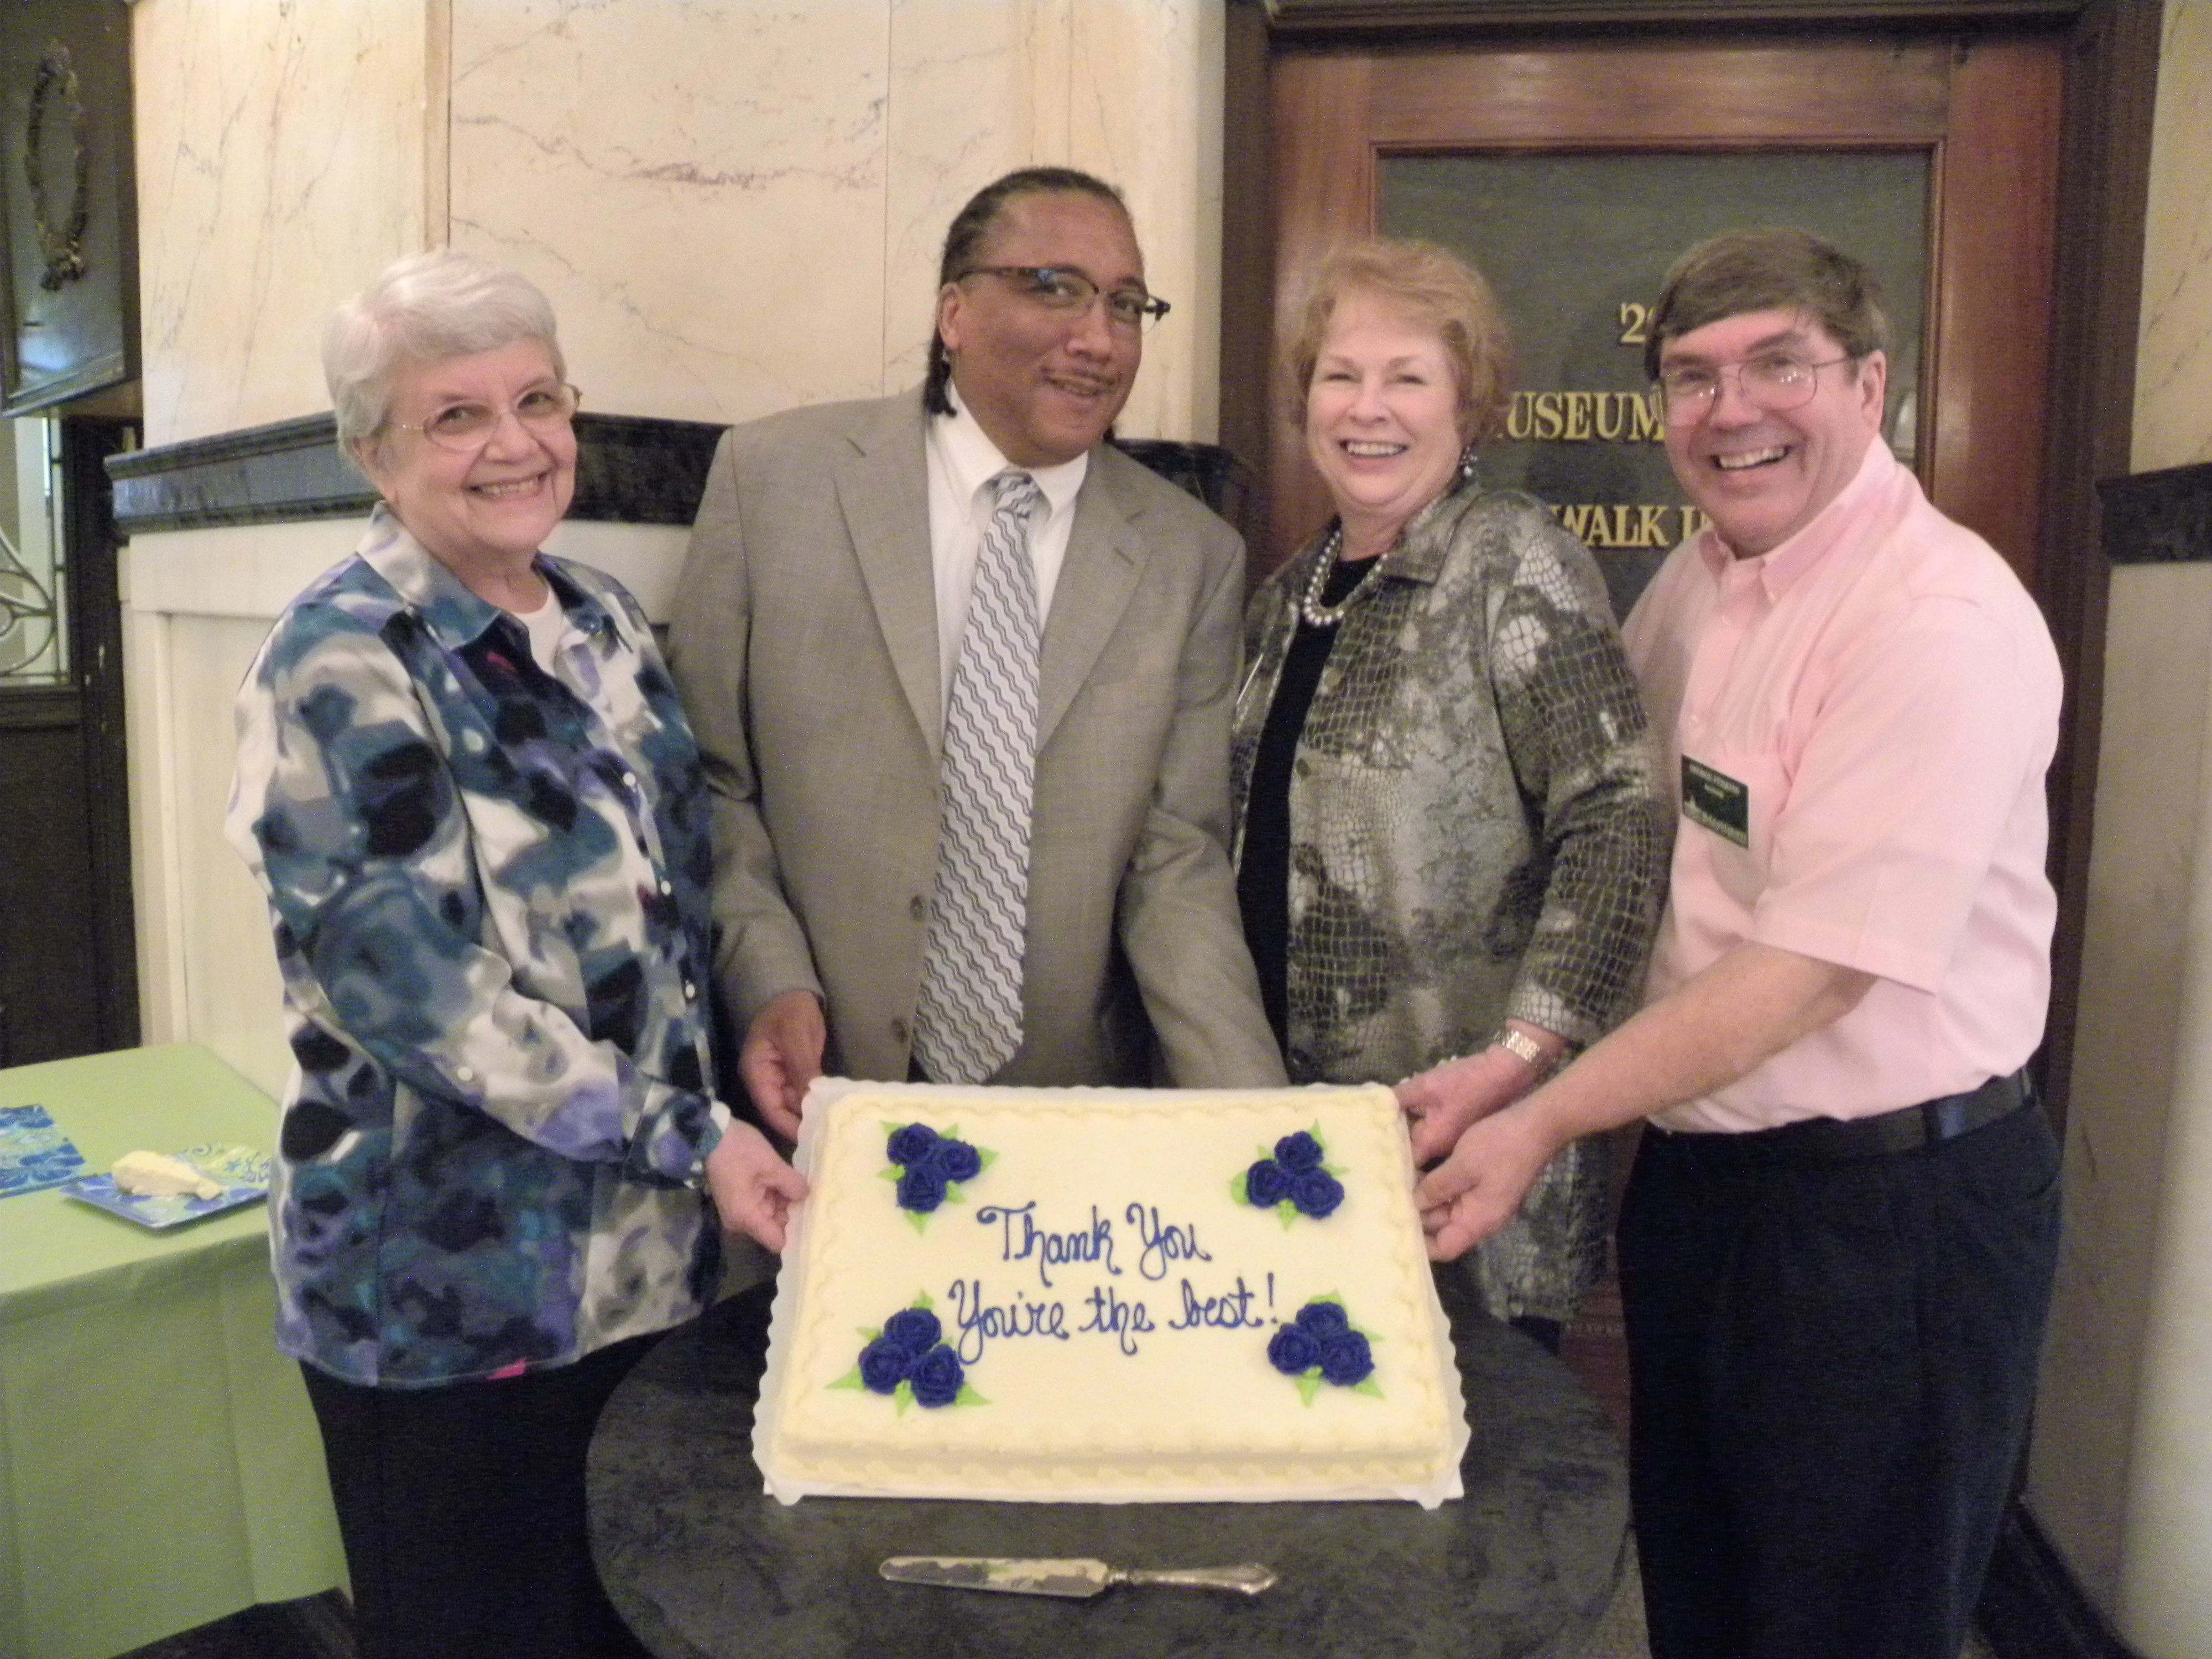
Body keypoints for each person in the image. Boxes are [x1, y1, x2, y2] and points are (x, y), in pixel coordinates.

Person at [1403, 228, 2064, 1659]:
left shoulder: (1936, 621)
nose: (1732, 409)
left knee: (1849, 1623)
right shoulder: (1700, 580)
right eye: (1693, 378)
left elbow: (1812, 969)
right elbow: (1639, 865)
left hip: (1892, 1223)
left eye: (1780, 365)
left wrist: (1536, 1118)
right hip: (1705, 1196)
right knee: (1704, 1598)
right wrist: (1517, 1059)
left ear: (1871, 382)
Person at [226, 249, 806, 1659]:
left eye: (536, 400)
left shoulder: (601, 616)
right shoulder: (339, 660)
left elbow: (672, 888)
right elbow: (424, 998)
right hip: (441, 1295)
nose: (512, 444)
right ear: (372, 451)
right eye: (456, 416)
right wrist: (698, 1139)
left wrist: (761, 1012)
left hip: (645, 1280)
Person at [670, 165, 1285, 1131]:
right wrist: (769, 980)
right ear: (954, 312)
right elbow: (708, 781)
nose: (1099, 338)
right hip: (806, 1094)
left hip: (1059, 1130)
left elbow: (1178, 865)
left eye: (1127, 304)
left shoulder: (1189, 555)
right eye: (1057, 287)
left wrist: (1262, 1126)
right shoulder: (772, 480)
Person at [1233, 238, 1668, 1342]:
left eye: (1406, 377)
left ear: (1466, 407)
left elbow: (1617, 820)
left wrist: (1523, 1054)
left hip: (1463, 1169)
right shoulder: (1288, 597)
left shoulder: (1512, 565)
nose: (1365, 408)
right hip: (1295, 1164)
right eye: (1339, 375)